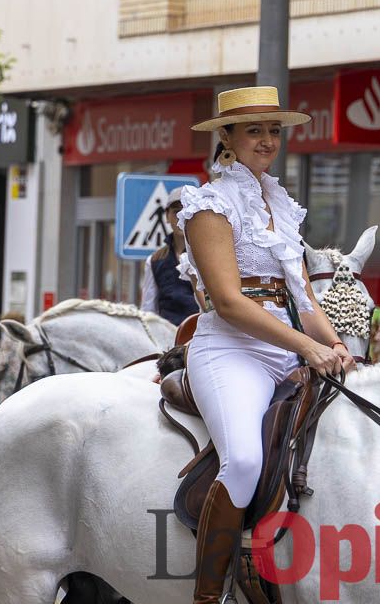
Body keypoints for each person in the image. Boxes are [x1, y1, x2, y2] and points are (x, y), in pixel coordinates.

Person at [178, 86, 354, 603]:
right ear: (227, 138)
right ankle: (209, 595)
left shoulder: (280, 203)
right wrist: (307, 345)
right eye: (254, 130)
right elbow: (230, 303)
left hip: (286, 347)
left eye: (274, 130)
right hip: (229, 350)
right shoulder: (208, 203)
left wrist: (338, 346)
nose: (267, 140)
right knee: (246, 462)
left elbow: (304, 298)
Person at [139, 186, 200, 325]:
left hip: (200, 337)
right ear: (167, 216)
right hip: (166, 340)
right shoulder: (154, 260)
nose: (181, 217)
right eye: (176, 211)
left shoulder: (209, 256)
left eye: (187, 211)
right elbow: (148, 310)